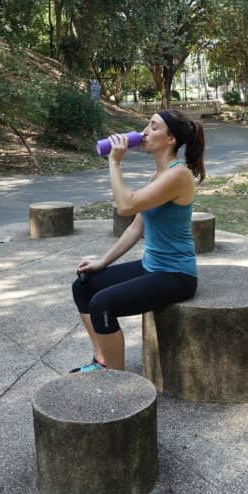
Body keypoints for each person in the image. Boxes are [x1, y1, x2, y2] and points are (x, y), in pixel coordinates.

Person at [70, 109, 206, 372]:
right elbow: (135, 228)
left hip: (176, 275)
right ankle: (102, 361)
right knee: (84, 287)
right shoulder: (158, 175)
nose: (144, 132)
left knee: (102, 305)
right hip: (151, 266)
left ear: (171, 140)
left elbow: (125, 206)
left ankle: (119, 384)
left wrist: (115, 163)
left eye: (154, 127)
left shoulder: (179, 175)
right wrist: (102, 262)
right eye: (146, 125)